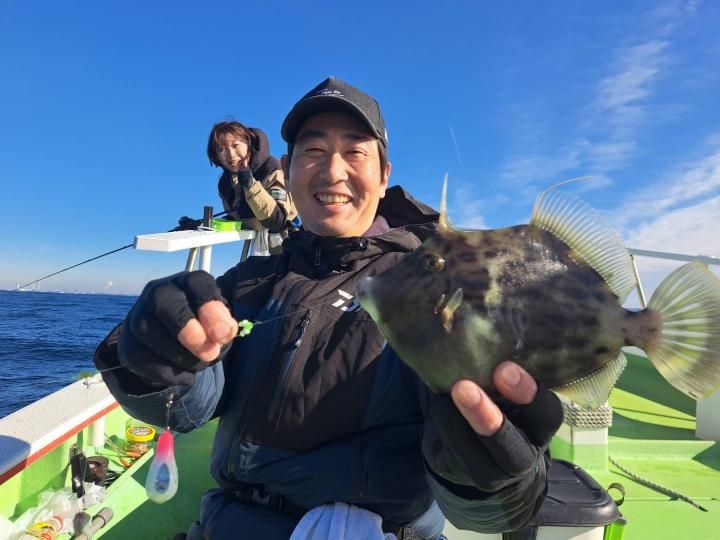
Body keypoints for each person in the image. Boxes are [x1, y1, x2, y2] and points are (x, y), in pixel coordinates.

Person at [95, 77, 563, 540]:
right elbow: (191, 409)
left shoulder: (432, 286)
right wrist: (153, 361)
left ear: (384, 176)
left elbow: (488, 513)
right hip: (229, 524)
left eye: (355, 152)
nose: (333, 171)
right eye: (313, 150)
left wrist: (489, 473)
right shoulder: (249, 279)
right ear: (288, 169)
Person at [207, 120, 298, 254]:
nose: (231, 155)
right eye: (222, 149)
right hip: (258, 245)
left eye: (235, 145)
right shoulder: (225, 183)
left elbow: (277, 221)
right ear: (216, 156)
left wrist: (251, 186)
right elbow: (238, 217)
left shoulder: (272, 169)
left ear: (248, 143)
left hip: (288, 245)